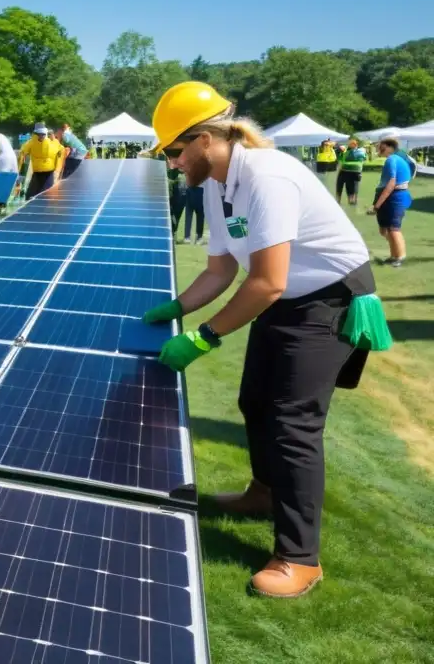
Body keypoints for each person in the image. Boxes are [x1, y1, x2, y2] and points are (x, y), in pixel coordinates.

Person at [142, 81, 391, 599]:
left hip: (329, 299)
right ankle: (264, 492)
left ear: (207, 137)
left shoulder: (267, 176)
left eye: (174, 150)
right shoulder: (215, 183)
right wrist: (179, 307)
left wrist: (205, 337)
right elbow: (221, 269)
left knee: (292, 422)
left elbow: (267, 280)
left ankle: (300, 559)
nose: (172, 164)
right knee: (254, 399)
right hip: (286, 297)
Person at [367, 137, 412, 267]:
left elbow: (391, 183)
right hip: (391, 196)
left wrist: (377, 206)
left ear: (388, 146)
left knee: (393, 228)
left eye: (380, 146)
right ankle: (394, 255)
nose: (377, 149)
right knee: (385, 229)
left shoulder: (392, 159)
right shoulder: (394, 159)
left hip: (395, 197)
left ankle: (399, 257)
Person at [18, 123, 61, 199]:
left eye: (43, 134)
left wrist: (57, 171)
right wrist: (19, 169)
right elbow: (22, 153)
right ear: (36, 134)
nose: (42, 136)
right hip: (37, 172)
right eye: (40, 134)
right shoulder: (31, 143)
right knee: (30, 196)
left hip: (48, 173)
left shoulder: (52, 143)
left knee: (46, 195)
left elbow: (60, 152)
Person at [335, 138, 366, 207]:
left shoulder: (358, 151)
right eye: (350, 144)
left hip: (351, 171)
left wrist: (341, 150)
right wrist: (340, 150)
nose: (350, 145)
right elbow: (339, 158)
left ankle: (351, 200)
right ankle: (342, 200)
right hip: (346, 170)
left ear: (356, 144)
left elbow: (353, 156)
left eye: (351, 144)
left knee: (351, 187)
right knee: (344, 186)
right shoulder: (348, 151)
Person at [183, 180, 205, 245]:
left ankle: (199, 236)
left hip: (200, 188)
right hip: (191, 188)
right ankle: (187, 236)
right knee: (189, 214)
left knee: (200, 215)